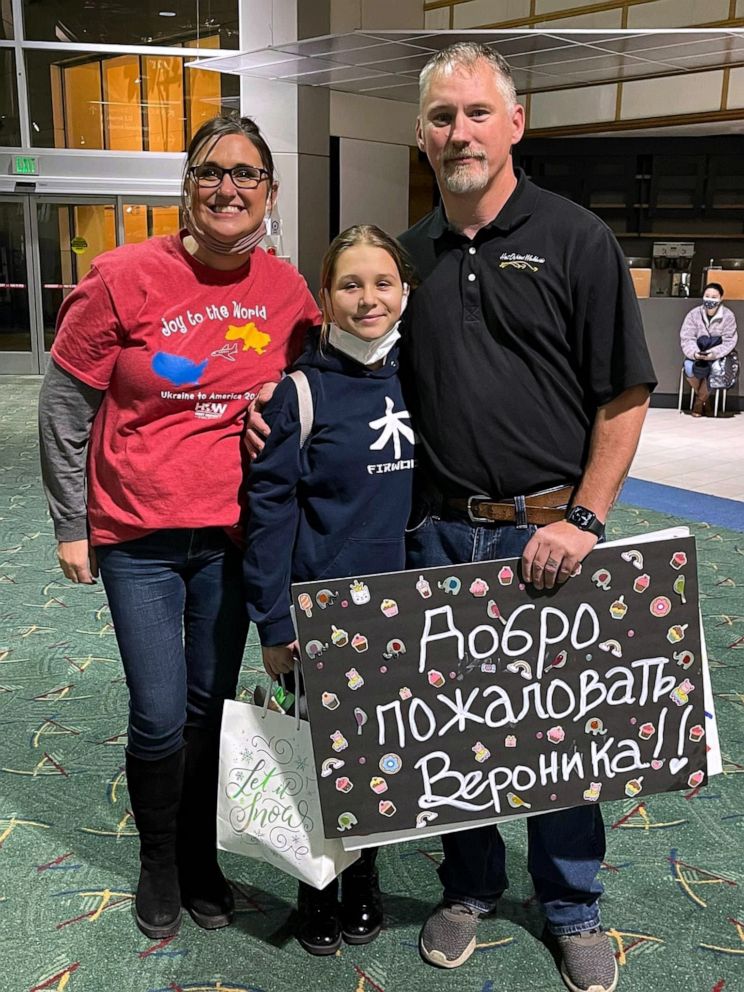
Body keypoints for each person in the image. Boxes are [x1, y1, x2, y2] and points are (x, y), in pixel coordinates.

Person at [396, 43, 656, 992]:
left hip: (551, 535)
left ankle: (572, 903)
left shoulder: (578, 237)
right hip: (438, 535)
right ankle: (468, 884)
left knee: (563, 736)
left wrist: (584, 519)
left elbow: (623, 395)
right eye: (439, 117)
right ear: (420, 135)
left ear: (514, 124)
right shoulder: (411, 255)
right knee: (457, 732)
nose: (457, 131)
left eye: (473, 113)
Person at [38, 115, 319, 940]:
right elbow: (64, 408)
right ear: (186, 185)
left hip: (234, 541)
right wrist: (70, 523)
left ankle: (202, 857)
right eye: (210, 173)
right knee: (160, 711)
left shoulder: (289, 292)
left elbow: (317, 391)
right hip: (139, 538)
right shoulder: (123, 276)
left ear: (269, 194)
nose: (228, 189)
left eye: (247, 176)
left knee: (210, 705)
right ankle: (159, 859)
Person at [243, 225, 414, 956]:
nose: (368, 298)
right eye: (350, 284)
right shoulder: (300, 393)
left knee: (383, 757)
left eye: (382, 282)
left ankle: (366, 878)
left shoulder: (424, 375)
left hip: (409, 609)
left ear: (405, 292)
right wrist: (274, 619)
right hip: (323, 613)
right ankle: (317, 886)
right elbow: (269, 510)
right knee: (320, 757)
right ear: (324, 299)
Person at [679, 282, 738, 416]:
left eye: (714, 297)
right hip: (697, 353)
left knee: (715, 369)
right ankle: (706, 400)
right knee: (689, 368)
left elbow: (730, 341)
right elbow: (687, 337)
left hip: (718, 356)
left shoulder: (728, 316)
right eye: (707, 296)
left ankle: (699, 402)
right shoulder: (693, 314)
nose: (710, 299)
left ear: (721, 298)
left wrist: (714, 354)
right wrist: (695, 353)